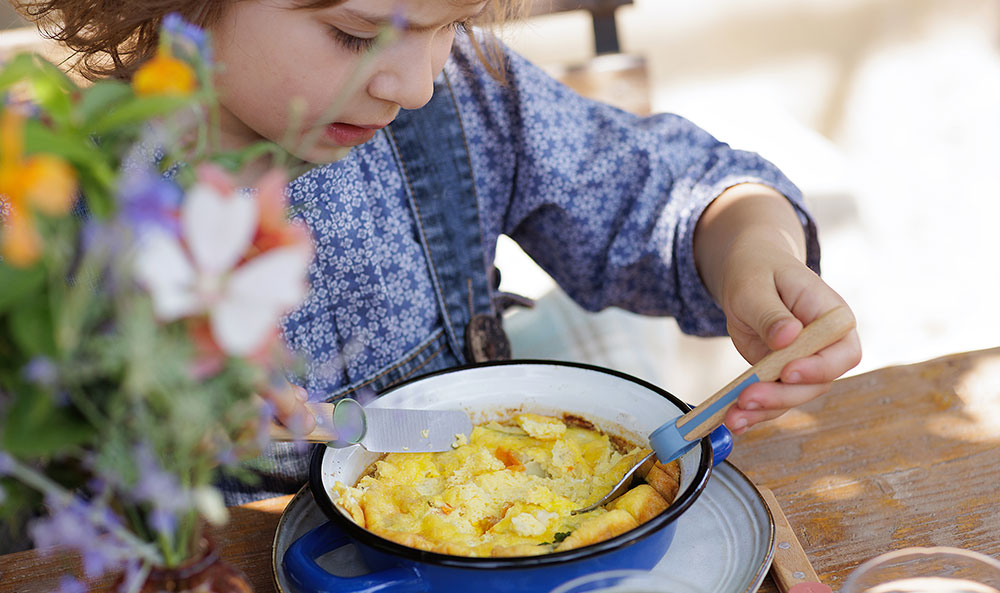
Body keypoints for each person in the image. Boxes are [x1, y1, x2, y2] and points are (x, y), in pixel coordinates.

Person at [17, 0, 861, 502]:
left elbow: (667, 193)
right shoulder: (65, 200)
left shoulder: (465, 101)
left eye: (448, 23)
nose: (412, 83)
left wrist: (751, 250)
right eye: (355, 34)